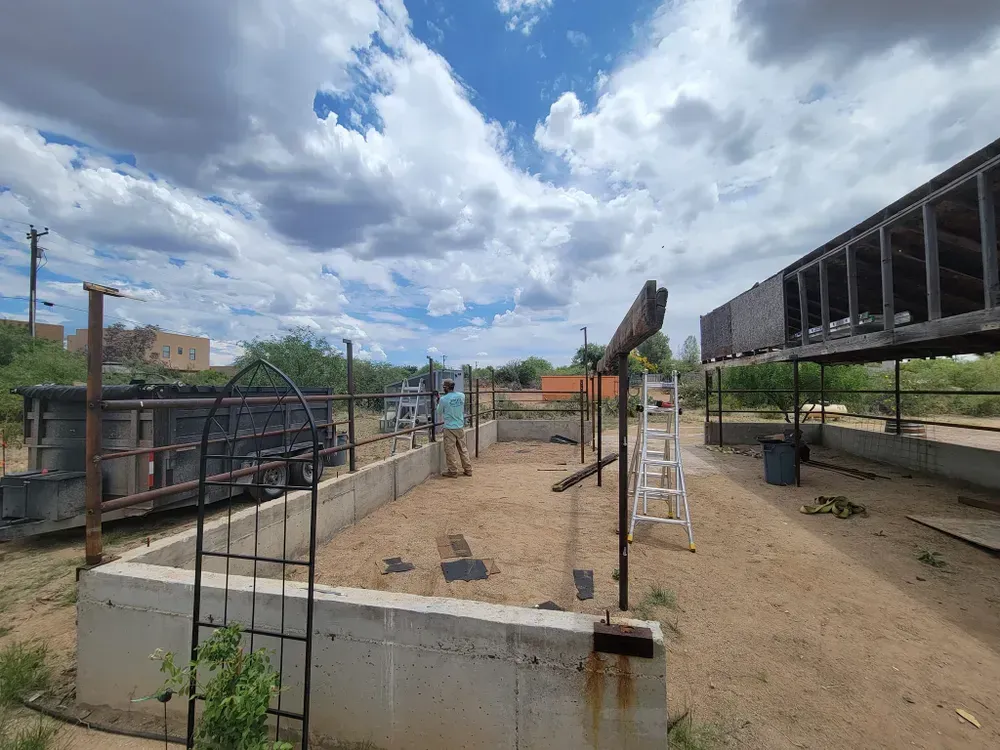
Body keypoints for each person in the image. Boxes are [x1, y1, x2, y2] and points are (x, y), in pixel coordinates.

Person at [436, 378, 472, 478]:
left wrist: (438, 401)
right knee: (463, 449)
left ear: (446, 388)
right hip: (460, 426)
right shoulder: (461, 395)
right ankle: (468, 469)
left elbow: (439, 411)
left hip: (449, 428)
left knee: (450, 450)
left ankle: (453, 471)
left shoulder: (443, 399)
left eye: (444, 387)